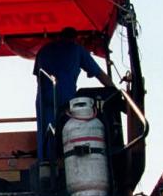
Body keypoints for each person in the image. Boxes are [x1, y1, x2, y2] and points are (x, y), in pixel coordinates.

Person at [33, 28, 114, 163]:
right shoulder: (76, 50)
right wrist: (114, 91)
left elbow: (37, 77)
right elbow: (99, 74)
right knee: (71, 129)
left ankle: (45, 162)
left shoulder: (43, 51)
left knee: (45, 132)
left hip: (43, 98)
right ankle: (68, 160)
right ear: (75, 38)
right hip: (66, 98)